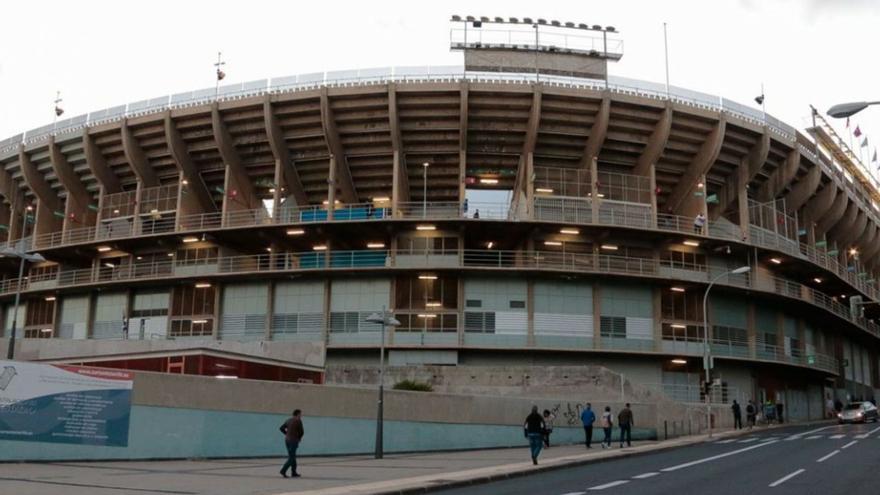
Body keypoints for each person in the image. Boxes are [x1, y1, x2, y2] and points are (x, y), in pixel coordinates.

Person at [279, 409, 304, 478]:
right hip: (294, 440)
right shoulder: (298, 420)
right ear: (298, 414)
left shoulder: (288, 420)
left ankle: (294, 472)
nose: (301, 415)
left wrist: (286, 434)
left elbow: (281, 428)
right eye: (301, 414)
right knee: (292, 457)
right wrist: (299, 438)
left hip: (287, 440)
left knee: (292, 456)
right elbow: (301, 432)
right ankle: (283, 470)